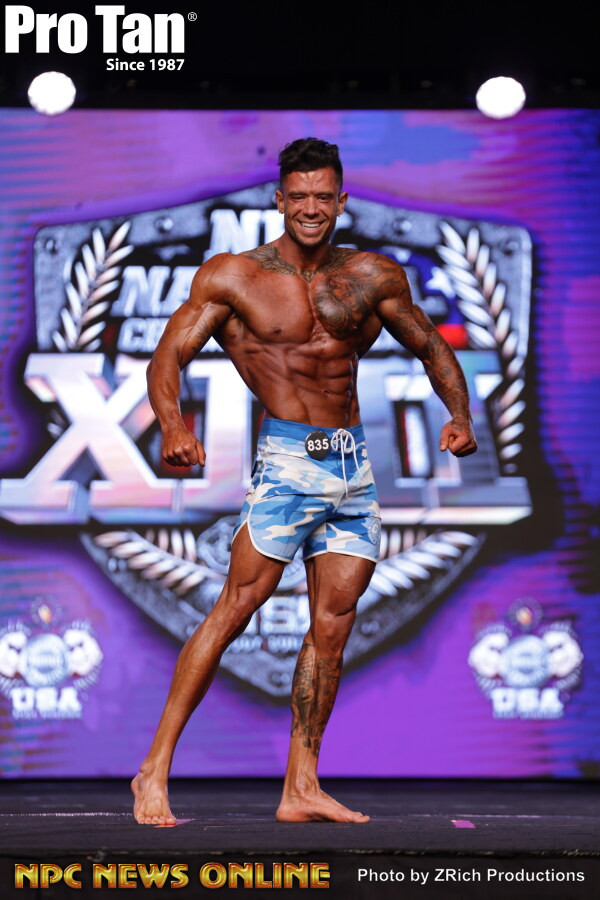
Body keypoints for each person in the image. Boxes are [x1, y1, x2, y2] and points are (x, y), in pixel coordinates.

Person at [132, 137, 477, 825]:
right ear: (279, 200)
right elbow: (167, 356)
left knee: (333, 627)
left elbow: (431, 344)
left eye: (323, 197)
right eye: (299, 197)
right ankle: (153, 770)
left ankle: (302, 786)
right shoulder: (234, 277)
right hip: (289, 463)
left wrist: (460, 415)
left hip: (353, 469)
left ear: (341, 201)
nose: (311, 209)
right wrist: (172, 425)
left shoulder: (372, 275)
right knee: (237, 607)